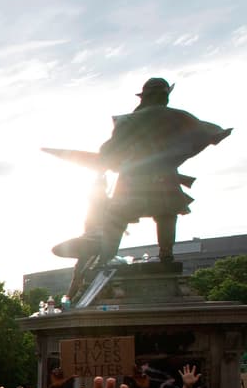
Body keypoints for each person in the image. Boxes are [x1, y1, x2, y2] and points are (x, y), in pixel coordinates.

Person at [96, 77, 232, 263]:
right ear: (164, 96)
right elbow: (208, 131)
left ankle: (105, 257)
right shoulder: (179, 116)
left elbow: (113, 147)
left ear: (144, 97)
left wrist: (105, 156)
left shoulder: (129, 120)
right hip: (164, 174)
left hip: (133, 175)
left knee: (117, 216)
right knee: (166, 214)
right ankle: (166, 253)